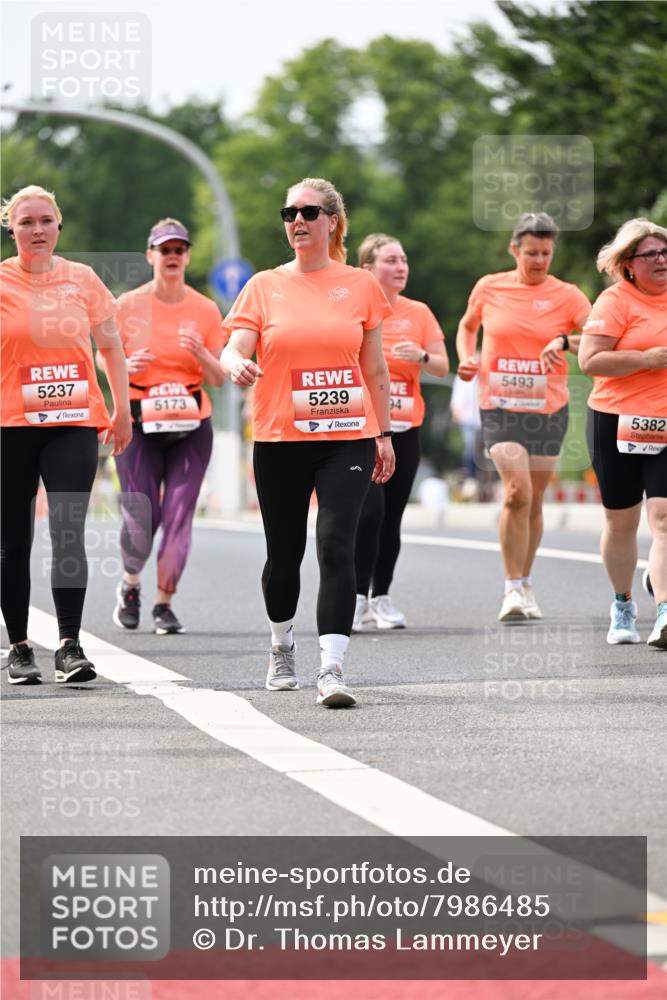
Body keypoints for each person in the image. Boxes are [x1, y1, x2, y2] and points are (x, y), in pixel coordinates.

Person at [222, 177, 394, 707]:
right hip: (279, 437)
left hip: (348, 437)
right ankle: (281, 646)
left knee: (337, 544)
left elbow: (375, 368)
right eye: (289, 212)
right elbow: (234, 346)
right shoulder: (264, 285)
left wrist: (383, 433)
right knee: (284, 553)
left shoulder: (361, 285)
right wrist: (234, 363)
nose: (297, 220)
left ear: (332, 221)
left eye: (309, 212)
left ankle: (332, 668)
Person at [0, 185, 131, 685]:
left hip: (74, 422)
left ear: (59, 226)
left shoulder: (83, 279)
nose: (37, 230)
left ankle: (70, 645)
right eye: (27, 221)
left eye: (46, 221)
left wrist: (122, 411)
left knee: (68, 531)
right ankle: (18, 647)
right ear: (11, 228)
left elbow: (111, 349)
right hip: (10, 426)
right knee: (12, 540)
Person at [456, 212, 591, 622]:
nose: (538, 260)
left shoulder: (568, 295)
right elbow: (467, 326)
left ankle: (526, 582)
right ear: (514, 249)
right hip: (499, 405)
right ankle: (511, 589)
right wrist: (467, 358)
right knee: (516, 493)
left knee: (534, 501)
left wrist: (566, 341)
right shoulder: (489, 287)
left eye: (546, 253)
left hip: (548, 408)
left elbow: (602, 339)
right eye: (531, 252)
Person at [110, 219, 225, 635]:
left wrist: (201, 354)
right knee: (143, 515)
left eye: (179, 249)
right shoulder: (126, 306)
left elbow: (218, 377)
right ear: (150, 256)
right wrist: (125, 368)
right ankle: (130, 584)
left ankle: (164, 603)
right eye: (164, 250)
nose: (172, 256)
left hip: (191, 425)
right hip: (139, 422)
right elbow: (105, 363)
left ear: (188, 256)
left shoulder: (205, 309)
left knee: (179, 513)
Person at [352, 234, 448, 631]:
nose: (401, 266)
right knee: (368, 512)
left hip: (406, 428)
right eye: (390, 260)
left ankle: (382, 596)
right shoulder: (355, 310)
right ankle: (356, 598)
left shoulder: (419, 313)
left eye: (404, 259)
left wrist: (422, 357)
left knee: (392, 516)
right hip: (363, 428)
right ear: (368, 269)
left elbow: (443, 367)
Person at [579, 218, 667, 649]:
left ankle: (666, 610)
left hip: (666, 422)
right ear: (628, 263)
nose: (661, 260)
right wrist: (647, 358)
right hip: (615, 420)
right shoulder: (615, 301)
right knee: (621, 522)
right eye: (650, 254)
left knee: (665, 516)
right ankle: (623, 603)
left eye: (665, 252)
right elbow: (590, 361)